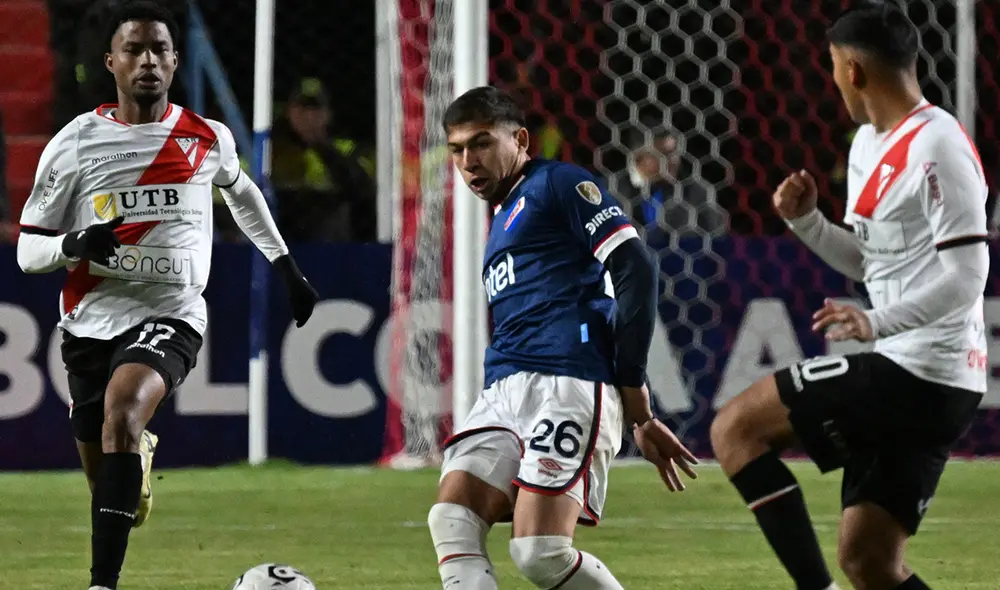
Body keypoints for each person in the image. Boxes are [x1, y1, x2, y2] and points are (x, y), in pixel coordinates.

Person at [16, 3, 318, 589]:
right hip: (88, 320)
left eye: (159, 49)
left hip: (171, 312)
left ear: (176, 62)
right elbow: (29, 250)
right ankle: (134, 467)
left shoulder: (206, 138)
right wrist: (74, 243)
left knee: (123, 413)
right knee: (108, 475)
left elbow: (243, 193)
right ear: (111, 62)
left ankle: (102, 585)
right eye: (134, 49)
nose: (147, 60)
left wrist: (285, 265)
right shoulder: (76, 143)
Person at [710, 5, 987, 590]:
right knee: (870, 561)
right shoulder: (867, 144)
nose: (831, 79)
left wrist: (876, 322)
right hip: (914, 368)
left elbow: (968, 275)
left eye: (834, 67)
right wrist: (807, 222)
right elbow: (874, 262)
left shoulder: (939, 145)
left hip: (924, 373)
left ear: (854, 70)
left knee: (736, 428)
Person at [427, 86, 699, 589]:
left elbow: (634, 263)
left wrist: (633, 391)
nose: (469, 162)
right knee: (451, 519)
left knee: (539, 552)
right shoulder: (503, 217)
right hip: (504, 388)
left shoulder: (556, 183)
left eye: (482, 143)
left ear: (521, 139)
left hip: (568, 382)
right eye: (458, 150)